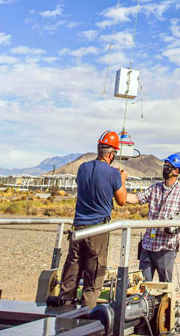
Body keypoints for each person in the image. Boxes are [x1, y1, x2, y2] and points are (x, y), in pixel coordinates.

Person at [59, 130, 127, 308]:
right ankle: (86, 319)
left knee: (72, 271)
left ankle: (62, 313)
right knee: (93, 276)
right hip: (97, 231)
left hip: (78, 229)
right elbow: (121, 200)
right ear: (111, 154)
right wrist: (122, 180)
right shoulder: (113, 174)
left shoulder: (82, 168)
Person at [125, 153, 180, 282]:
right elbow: (136, 198)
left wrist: (174, 228)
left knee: (165, 288)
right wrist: (119, 190)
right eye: (165, 165)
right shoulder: (155, 188)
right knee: (143, 286)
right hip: (148, 245)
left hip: (166, 247)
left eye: (168, 167)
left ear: (176, 171)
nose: (165, 168)